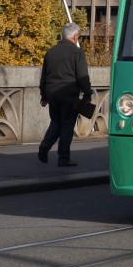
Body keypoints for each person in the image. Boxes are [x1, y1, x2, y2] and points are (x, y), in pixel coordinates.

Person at [38, 22, 92, 167]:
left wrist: (44, 95)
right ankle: (63, 158)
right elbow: (82, 76)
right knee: (67, 125)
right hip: (69, 94)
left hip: (52, 94)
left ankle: (45, 145)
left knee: (56, 122)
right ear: (75, 36)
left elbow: (44, 76)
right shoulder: (77, 53)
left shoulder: (51, 52)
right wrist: (87, 93)